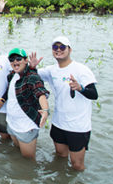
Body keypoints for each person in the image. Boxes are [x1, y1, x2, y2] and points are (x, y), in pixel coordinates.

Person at [30, 36, 98, 171]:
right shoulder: (51, 70)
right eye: (55, 47)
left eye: (62, 47)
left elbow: (94, 94)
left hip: (78, 126)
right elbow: (33, 76)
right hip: (59, 123)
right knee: (60, 156)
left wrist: (80, 88)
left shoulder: (81, 69)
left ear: (69, 49)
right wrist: (32, 67)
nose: (59, 50)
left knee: (77, 165)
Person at [0, 48, 49, 161]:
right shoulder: (11, 76)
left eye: (18, 58)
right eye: (12, 59)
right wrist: (2, 100)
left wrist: (45, 109)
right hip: (12, 123)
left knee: (28, 160)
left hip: (26, 127)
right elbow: (9, 91)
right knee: (17, 152)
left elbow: (40, 92)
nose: (15, 61)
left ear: (25, 60)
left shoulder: (32, 77)